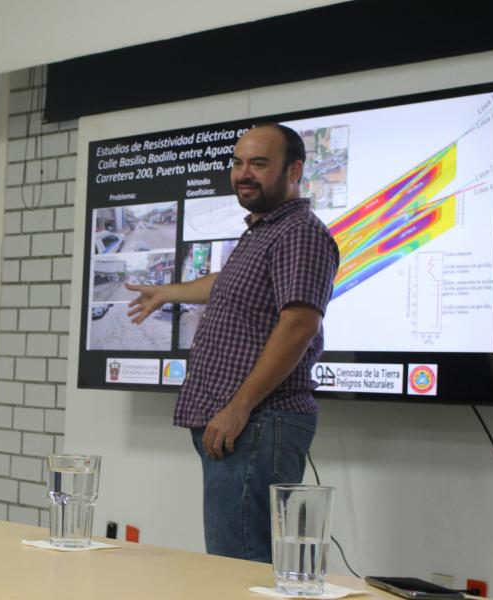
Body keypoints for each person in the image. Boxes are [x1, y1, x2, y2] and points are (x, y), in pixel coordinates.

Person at [126, 124, 340, 563]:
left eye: (259, 163)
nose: (244, 173)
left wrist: (238, 407)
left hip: (256, 422)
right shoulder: (265, 231)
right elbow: (229, 283)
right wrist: (168, 292)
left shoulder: (299, 232)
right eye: (238, 163)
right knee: (234, 564)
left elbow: (299, 324)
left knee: (239, 568)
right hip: (244, 427)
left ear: (294, 170)